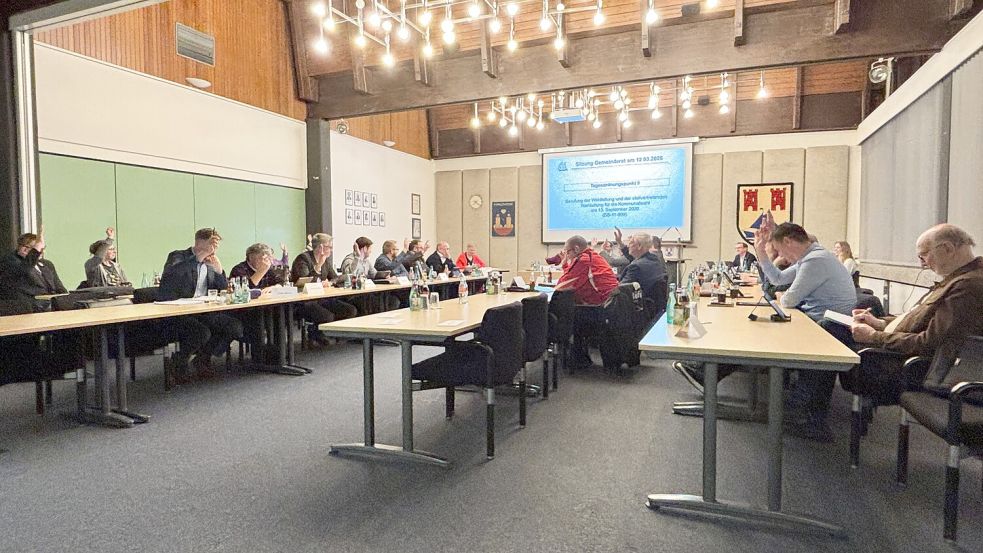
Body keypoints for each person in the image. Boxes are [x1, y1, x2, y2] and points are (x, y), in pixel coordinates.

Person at [847, 224, 983, 404]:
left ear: (948, 249)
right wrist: (879, 323)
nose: (922, 264)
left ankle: (812, 418)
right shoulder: (956, 279)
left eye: (924, 255)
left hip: (915, 367)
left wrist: (874, 337)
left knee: (839, 336)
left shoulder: (967, 286)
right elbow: (919, 320)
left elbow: (928, 343)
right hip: (905, 355)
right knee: (838, 334)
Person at [158, 228, 244, 382]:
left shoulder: (211, 261)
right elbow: (171, 276)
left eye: (216, 246)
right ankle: (179, 361)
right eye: (211, 245)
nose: (214, 249)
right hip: (179, 311)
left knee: (234, 327)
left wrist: (219, 271)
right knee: (201, 332)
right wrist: (198, 258)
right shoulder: (178, 256)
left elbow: (224, 288)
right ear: (199, 242)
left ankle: (203, 358)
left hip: (204, 309)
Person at [554, 235, 619, 369]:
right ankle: (579, 357)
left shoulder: (583, 260)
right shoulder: (592, 256)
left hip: (600, 308)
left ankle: (576, 359)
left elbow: (562, 284)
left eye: (567, 252)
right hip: (610, 305)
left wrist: (564, 263)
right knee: (573, 306)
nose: (566, 254)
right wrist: (567, 264)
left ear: (576, 249)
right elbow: (572, 278)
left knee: (564, 313)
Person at [290, 233, 357, 344]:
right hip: (305, 301)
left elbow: (335, 278)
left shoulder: (325, 261)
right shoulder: (303, 258)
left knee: (350, 310)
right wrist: (318, 267)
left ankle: (334, 334)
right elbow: (304, 280)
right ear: (320, 247)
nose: (331, 249)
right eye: (329, 247)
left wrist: (329, 282)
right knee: (327, 316)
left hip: (322, 298)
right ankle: (315, 333)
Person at [229, 243, 287, 363]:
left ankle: (279, 355)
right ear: (251, 257)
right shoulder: (239, 269)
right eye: (264, 258)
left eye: (269, 258)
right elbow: (243, 291)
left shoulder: (268, 270)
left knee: (280, 315)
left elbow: (281, 282)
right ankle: (259, 358)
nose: (268, 261)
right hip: (243, 311)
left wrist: (274, 287)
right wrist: (261, 272)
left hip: (265, 308)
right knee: (257, 320)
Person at [0, 230, 65, 311]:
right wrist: (35, 251)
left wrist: (66, 299)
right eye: (36, 248)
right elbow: (23, 270)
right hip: (27, 309)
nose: (41, 251)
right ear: (23, 248)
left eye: (42, 248)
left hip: (51, 307)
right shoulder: (10, 261)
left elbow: (59, 287)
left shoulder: (47, 264)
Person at [618, 233, 667, 305]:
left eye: (631, 243)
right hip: (656, 306)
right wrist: (620, 243)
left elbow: (620, 289)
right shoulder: (654, 259)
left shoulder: (636, 267)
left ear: (639, 246)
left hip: (639, 309)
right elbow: (637, 260)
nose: (628, 245)